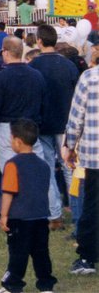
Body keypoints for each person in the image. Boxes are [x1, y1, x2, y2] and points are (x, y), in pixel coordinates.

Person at [0, 119, 57, 293]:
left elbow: (8, 192)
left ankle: (13, 285)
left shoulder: (12, 164)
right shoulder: (43, 165)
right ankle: (46, 285)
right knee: (41, 253)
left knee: (18, 253)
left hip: (19, 218)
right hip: (40, 216)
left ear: (17, 141)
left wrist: (4, 215)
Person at [29, 24, 79, 230]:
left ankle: (54, 215)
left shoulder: (33, 66)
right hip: (65, 123)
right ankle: (77, 213)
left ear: (39, 41)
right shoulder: (68, 65)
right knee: (70, 168)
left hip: (43, 123)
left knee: (48, 169)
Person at [0, 38, 47, 194]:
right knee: (37, 170)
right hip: (31, 127)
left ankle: (15, 208)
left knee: (10, 171)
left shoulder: (0, 77)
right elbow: (43, 102)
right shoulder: (36, 75)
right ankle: (49, 210)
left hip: (7, 127)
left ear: (5, 52)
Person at [63, 54, 99, 276]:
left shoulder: (89, 78)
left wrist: (70, 145)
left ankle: (87, 256)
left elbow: (76, 118)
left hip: (94, 154)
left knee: (93, 207)